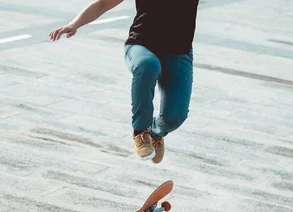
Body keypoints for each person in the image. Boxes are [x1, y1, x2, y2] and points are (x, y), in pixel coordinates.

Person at [49, 0, 199, 164]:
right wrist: (74, 24)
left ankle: (155, 133)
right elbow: (102, 4)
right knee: (147, 65)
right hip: (142, 46)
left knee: (174, 117)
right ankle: (141, 132)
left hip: (178, 54)